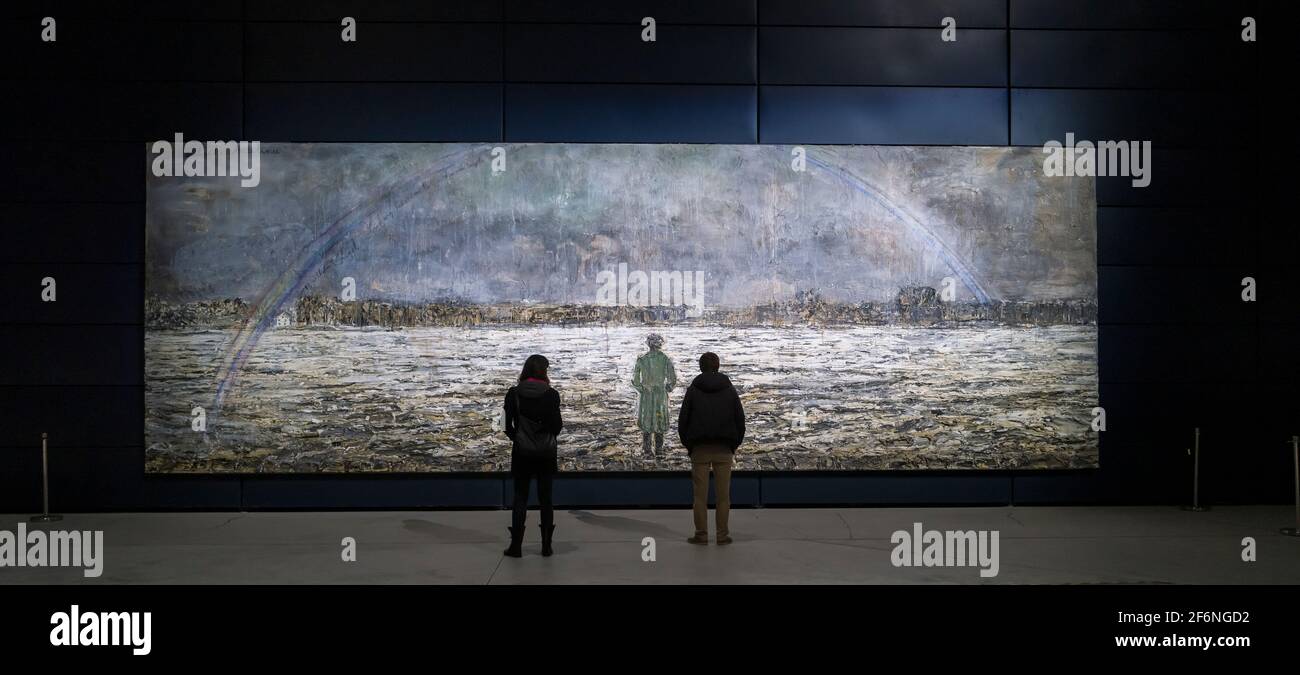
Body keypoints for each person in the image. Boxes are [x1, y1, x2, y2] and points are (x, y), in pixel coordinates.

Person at [677, 352, 745, 545]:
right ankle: (722, 536)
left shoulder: (693, 389)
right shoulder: (729, 389)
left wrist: (690, 445)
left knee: (700, 497)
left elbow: (683, 421)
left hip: (699, 449)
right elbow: (740, 420)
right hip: (724, 449)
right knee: (723, 497)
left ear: (701, 367)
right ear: (718, 366)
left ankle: (701, 535)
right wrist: (733, 444)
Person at [502, 354, 563, 557]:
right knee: (546, 498)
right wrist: (546, 436)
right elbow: (557, 426)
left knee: (520, 497)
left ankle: (516, 546)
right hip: (546, 453)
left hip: (522, 453)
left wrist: (519, 438)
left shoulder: (513, 394)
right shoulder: (552, 394)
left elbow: (506, 425)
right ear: (544, 372)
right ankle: (546, 546)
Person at [631, 333, 676, 458]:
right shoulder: (665, 359)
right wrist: (667, 388)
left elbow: (635, 380)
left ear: (648, 344)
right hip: (660, 395)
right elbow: (672, 379)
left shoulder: (641, 359)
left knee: (647, 419)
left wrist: (642, 389)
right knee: (659, 419)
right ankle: (659, 449)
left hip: (647, 394)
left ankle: (646, 449)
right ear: (659, 344)